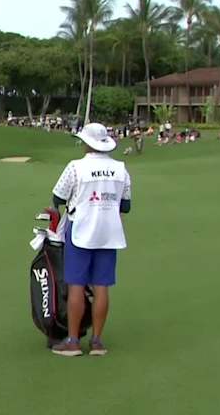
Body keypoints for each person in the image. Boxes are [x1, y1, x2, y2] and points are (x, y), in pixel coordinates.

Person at [50, 123, 132, 357]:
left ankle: (73, 341)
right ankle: (97, 342)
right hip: (109, 232)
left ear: (87, 143)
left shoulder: (76, 167)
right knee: (102, 286)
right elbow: (125, 205)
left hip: (81, 230)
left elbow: (58, 197)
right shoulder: (121, 169)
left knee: (76, 284)